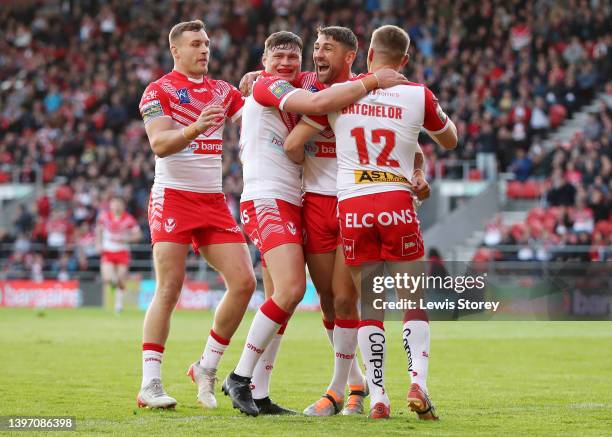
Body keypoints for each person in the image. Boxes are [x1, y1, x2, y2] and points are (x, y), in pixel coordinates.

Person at [222, 30, 409, 417]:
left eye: (326, 48)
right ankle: (350, 387)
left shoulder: (369, 92)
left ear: (353, 55)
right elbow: (290, 118)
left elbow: (407, 141)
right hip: (314, 205)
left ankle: (350, 388)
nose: (317, 54)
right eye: (317, 48)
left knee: (345, 296)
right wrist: (255, 77)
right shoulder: (310, 86)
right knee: (324, 298)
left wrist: (416, 170)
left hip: (357, 202)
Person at [288, 25, 457, 419]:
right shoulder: (418, 94)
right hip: (397, 200)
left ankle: (378, 397)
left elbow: (300, 134)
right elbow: (449, 140)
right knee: (413, 298)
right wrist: (418, 161)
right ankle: (418, 381)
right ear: (405, 61)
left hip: (353, 206)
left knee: (371, 304)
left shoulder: (340, 98)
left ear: (367, 58)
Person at [136, 20, 257, 410]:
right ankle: (150, 383)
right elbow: (159, 143)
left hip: (212, 200)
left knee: (243, 283)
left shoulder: (223, 91)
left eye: (206, 43)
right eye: (195, 44)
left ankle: (206, 366)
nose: (204, 50)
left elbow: (255, 121)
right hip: (172, 197)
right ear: (176, 50)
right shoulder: (159, 90)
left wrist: (264, 82)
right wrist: (195, 128)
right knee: (170, 287)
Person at [95, 196, 141, 313]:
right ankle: (115, 285)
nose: (116, 206)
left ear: (123, 205)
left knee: (121, 279)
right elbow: (98, 230)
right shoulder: (104, 217)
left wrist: (127, 238)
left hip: (122, 251)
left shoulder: (129, 219)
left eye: (118, 204)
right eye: (113, 203)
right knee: (108, 278)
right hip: (108, 250)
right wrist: (98, 243)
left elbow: (138, 235)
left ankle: (119, 304)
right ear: (110, 205)